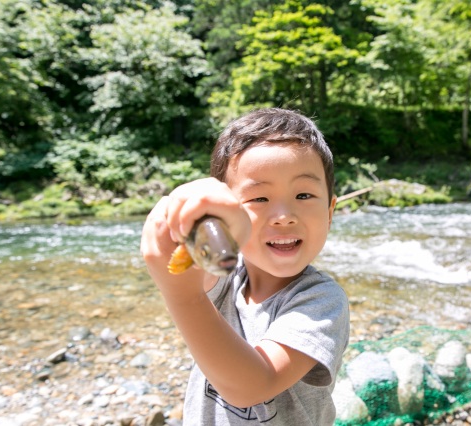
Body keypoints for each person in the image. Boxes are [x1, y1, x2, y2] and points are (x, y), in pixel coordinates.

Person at [140, 108, 350, 425]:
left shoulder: (322, 301)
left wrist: (182, 296)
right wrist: (186, 214)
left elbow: (254, 385)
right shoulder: (226, 275)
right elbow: (188, 258)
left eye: (304, 194)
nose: (284, 216)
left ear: (330, 212)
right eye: (259, 199)